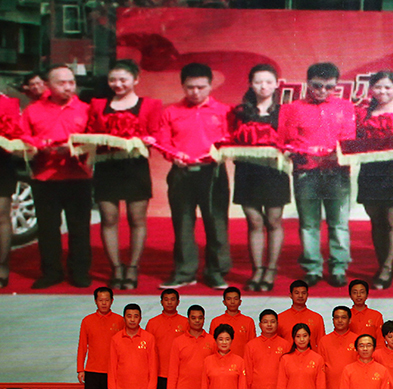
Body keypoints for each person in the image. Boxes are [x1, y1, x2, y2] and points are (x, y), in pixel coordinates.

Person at [152, 62, 232, 290]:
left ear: (210, 86)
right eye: (190, 87)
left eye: (201, 87)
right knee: (183, 223)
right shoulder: (171, 112)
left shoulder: (224, 111)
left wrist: (217, 153)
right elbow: (163, 141)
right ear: (182, 86)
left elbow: (230, 138)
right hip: (181, 173)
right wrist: (174, 155)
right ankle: (184, 272)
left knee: (216, 223)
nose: (195, 92)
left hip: (213, 173)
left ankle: (216, 271)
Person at [280, 62, 356, 287]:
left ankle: (339, 267)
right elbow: (287, 140)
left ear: (336, 85)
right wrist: (300, 152)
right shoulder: (293, 108)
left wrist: (335, 153)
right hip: (306, 172)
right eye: (317, 85)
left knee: (339, 223)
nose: (323, 91)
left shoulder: (345, 107)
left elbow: (348, 139)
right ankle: (312, 267)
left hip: (337, 171)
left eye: (329, 87)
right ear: (307, 83)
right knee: (308, 223)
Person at [88, 60, 162, 291]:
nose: (117, 84)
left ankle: (132, 267)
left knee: (136, 219)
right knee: (108, 218)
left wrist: (148, 140)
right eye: (113, 80)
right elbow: (90, 132)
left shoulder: (150, 105)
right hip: (106, 167)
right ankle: (116, 268)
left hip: (134, 167)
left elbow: (156, 133)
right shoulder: (98, 104)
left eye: (123, 79)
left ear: (136, 79)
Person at [22, 64, 92, 288]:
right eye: (62, 83)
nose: (68, 87)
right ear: (48, 85)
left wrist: (75, 149)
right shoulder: (33, 110)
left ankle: (79, 271)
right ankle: (51, 272)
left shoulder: (86, 109)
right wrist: (38, 145)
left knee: (79, 228)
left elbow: (94, 138)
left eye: (71, 82)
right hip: (45, 176)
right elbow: (22, 136)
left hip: (78, 176)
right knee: (47, 229)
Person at [354, 71, 393, 288]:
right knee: (376, 220)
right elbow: (354, 139)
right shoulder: (363, 113)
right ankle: (382, 262)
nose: (382, 91)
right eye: (378, 87)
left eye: (388, 87)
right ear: (371, 89)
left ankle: (388, 267)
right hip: (369, 171)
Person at [231, 64, 289, 293]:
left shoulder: (284, 112)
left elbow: (291, 139)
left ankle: (271, 269)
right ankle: (257, 270)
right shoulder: (240, 111)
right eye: (258, 82)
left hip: (274, 172)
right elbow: (230, 139)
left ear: (276, 84)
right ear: (250, 84)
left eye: (268, 82)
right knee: (254, 221)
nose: (263, 86)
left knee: (273, 221)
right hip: (247, 172)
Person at [78, 287, 123, 389]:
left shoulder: (119, 321)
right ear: (95, 301)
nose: (104, 303)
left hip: (113, 372)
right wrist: (80, 368)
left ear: (112, 301)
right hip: (92, 371)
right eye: (100, 300)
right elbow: (82, 346)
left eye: (107, 300)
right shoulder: (87, 321)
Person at [145, 289, 187, 389]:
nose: (169, 302)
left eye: (172, 299)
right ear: (161, 301)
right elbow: (147, 351)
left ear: (178, 302)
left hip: (180, 376)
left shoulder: (185, 323)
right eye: (166, 299)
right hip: (159, 374)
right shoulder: (152, 323)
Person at [0, 90, 19, 288]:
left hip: (1, 162)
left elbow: (15, 133)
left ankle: (2, 265)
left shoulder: (7, 102)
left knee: (1, 215)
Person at [209, 286, 256, 357]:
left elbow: (252, 346)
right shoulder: (216, 321)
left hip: (242, 362)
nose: (232, 302)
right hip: (221, 362)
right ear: (224, 302)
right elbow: (212, 345)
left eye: (235, 299)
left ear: (240, 302)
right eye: (229, 299)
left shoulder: (248, 321)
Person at [277, 279, 326, 346]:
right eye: (297, 293)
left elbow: (322, 345)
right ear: (290, 295)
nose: (300, 296)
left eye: (303, 293)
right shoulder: (280, 318)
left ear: (307, 295)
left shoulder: (317, 318)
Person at [347, 280, 384, 344]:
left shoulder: (376, 315)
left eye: (362, 292)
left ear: (367, 295)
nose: (358, 295)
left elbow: (380, 340)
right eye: (355, 292)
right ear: (350, 295)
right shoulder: (345, 316)